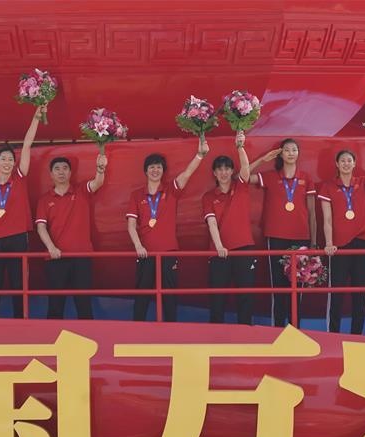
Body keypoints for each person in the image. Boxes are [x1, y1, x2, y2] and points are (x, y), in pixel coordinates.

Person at [127, 137, 209, 322]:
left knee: (169, 295)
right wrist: (138, 246)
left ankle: (171, 330)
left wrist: (200, 155)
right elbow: (131, 225)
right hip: (145, 254)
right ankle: (135, 330)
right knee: (142, 295)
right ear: (145, 170)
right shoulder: (137, 195)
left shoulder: (171, 190)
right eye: (152, 167)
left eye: (159, 167)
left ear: (163, 171)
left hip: (168, 252)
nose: (155, 170)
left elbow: (188, 173)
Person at [0, 107, 44, 318]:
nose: (7, 162)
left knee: (19, 286)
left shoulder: (19, 178)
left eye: (10, 159)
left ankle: (21, 322)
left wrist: (35, 118)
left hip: (18, 238)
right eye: (3, 159)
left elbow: (27, 145)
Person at [321, 147, 365, 334]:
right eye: (342, 160)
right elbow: (327, 219)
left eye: (349, 160)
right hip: (339, 246)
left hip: (361, 243)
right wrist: (329, 243)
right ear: (337, 164)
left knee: (360, 293)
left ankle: (357, 335)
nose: (346, 163)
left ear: (354, 164)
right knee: (336, 294)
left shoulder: (362, 182)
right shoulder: (328, 187)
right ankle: (333, 334)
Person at [248, 139, 317, 327]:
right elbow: (243, 177)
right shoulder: (270, 176)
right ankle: (277, 329)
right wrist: (263, 159)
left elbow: (312, 212)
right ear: (281, 154)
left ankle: (295, 329)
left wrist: (314, 242)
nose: (291, 153)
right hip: (276, 237)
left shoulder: (306, 178)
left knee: (298, 286)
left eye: (294, 150)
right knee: (278, 286)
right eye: (286, 150)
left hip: (301, 238)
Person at [35, 150, 108, 319]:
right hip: (55, 259)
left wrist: (100, 169)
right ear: (51, 174)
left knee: (83, 304)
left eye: (65, 168)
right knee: (55, 305)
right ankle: (52, 341)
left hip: (81, 256)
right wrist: (51, 248)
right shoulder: (45, 200)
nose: (61, 172)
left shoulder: (81, 190)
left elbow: (98, 182)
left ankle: (90, 339)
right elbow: (41, 228)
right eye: (57, 169)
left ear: (70, 172)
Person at [203, 130, 256, 324]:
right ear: (214, 173)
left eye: (227, 169)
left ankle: (246, 333)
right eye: (220, 169)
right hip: (219, 253)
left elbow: (245, 168)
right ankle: (216, 335)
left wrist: (240, 146)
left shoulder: (240, 186)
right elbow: (212, 223)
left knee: (246, 296)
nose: (224, 172)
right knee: (217, 298)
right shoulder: (209, 197)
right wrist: (219, 247)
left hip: (244, 248)